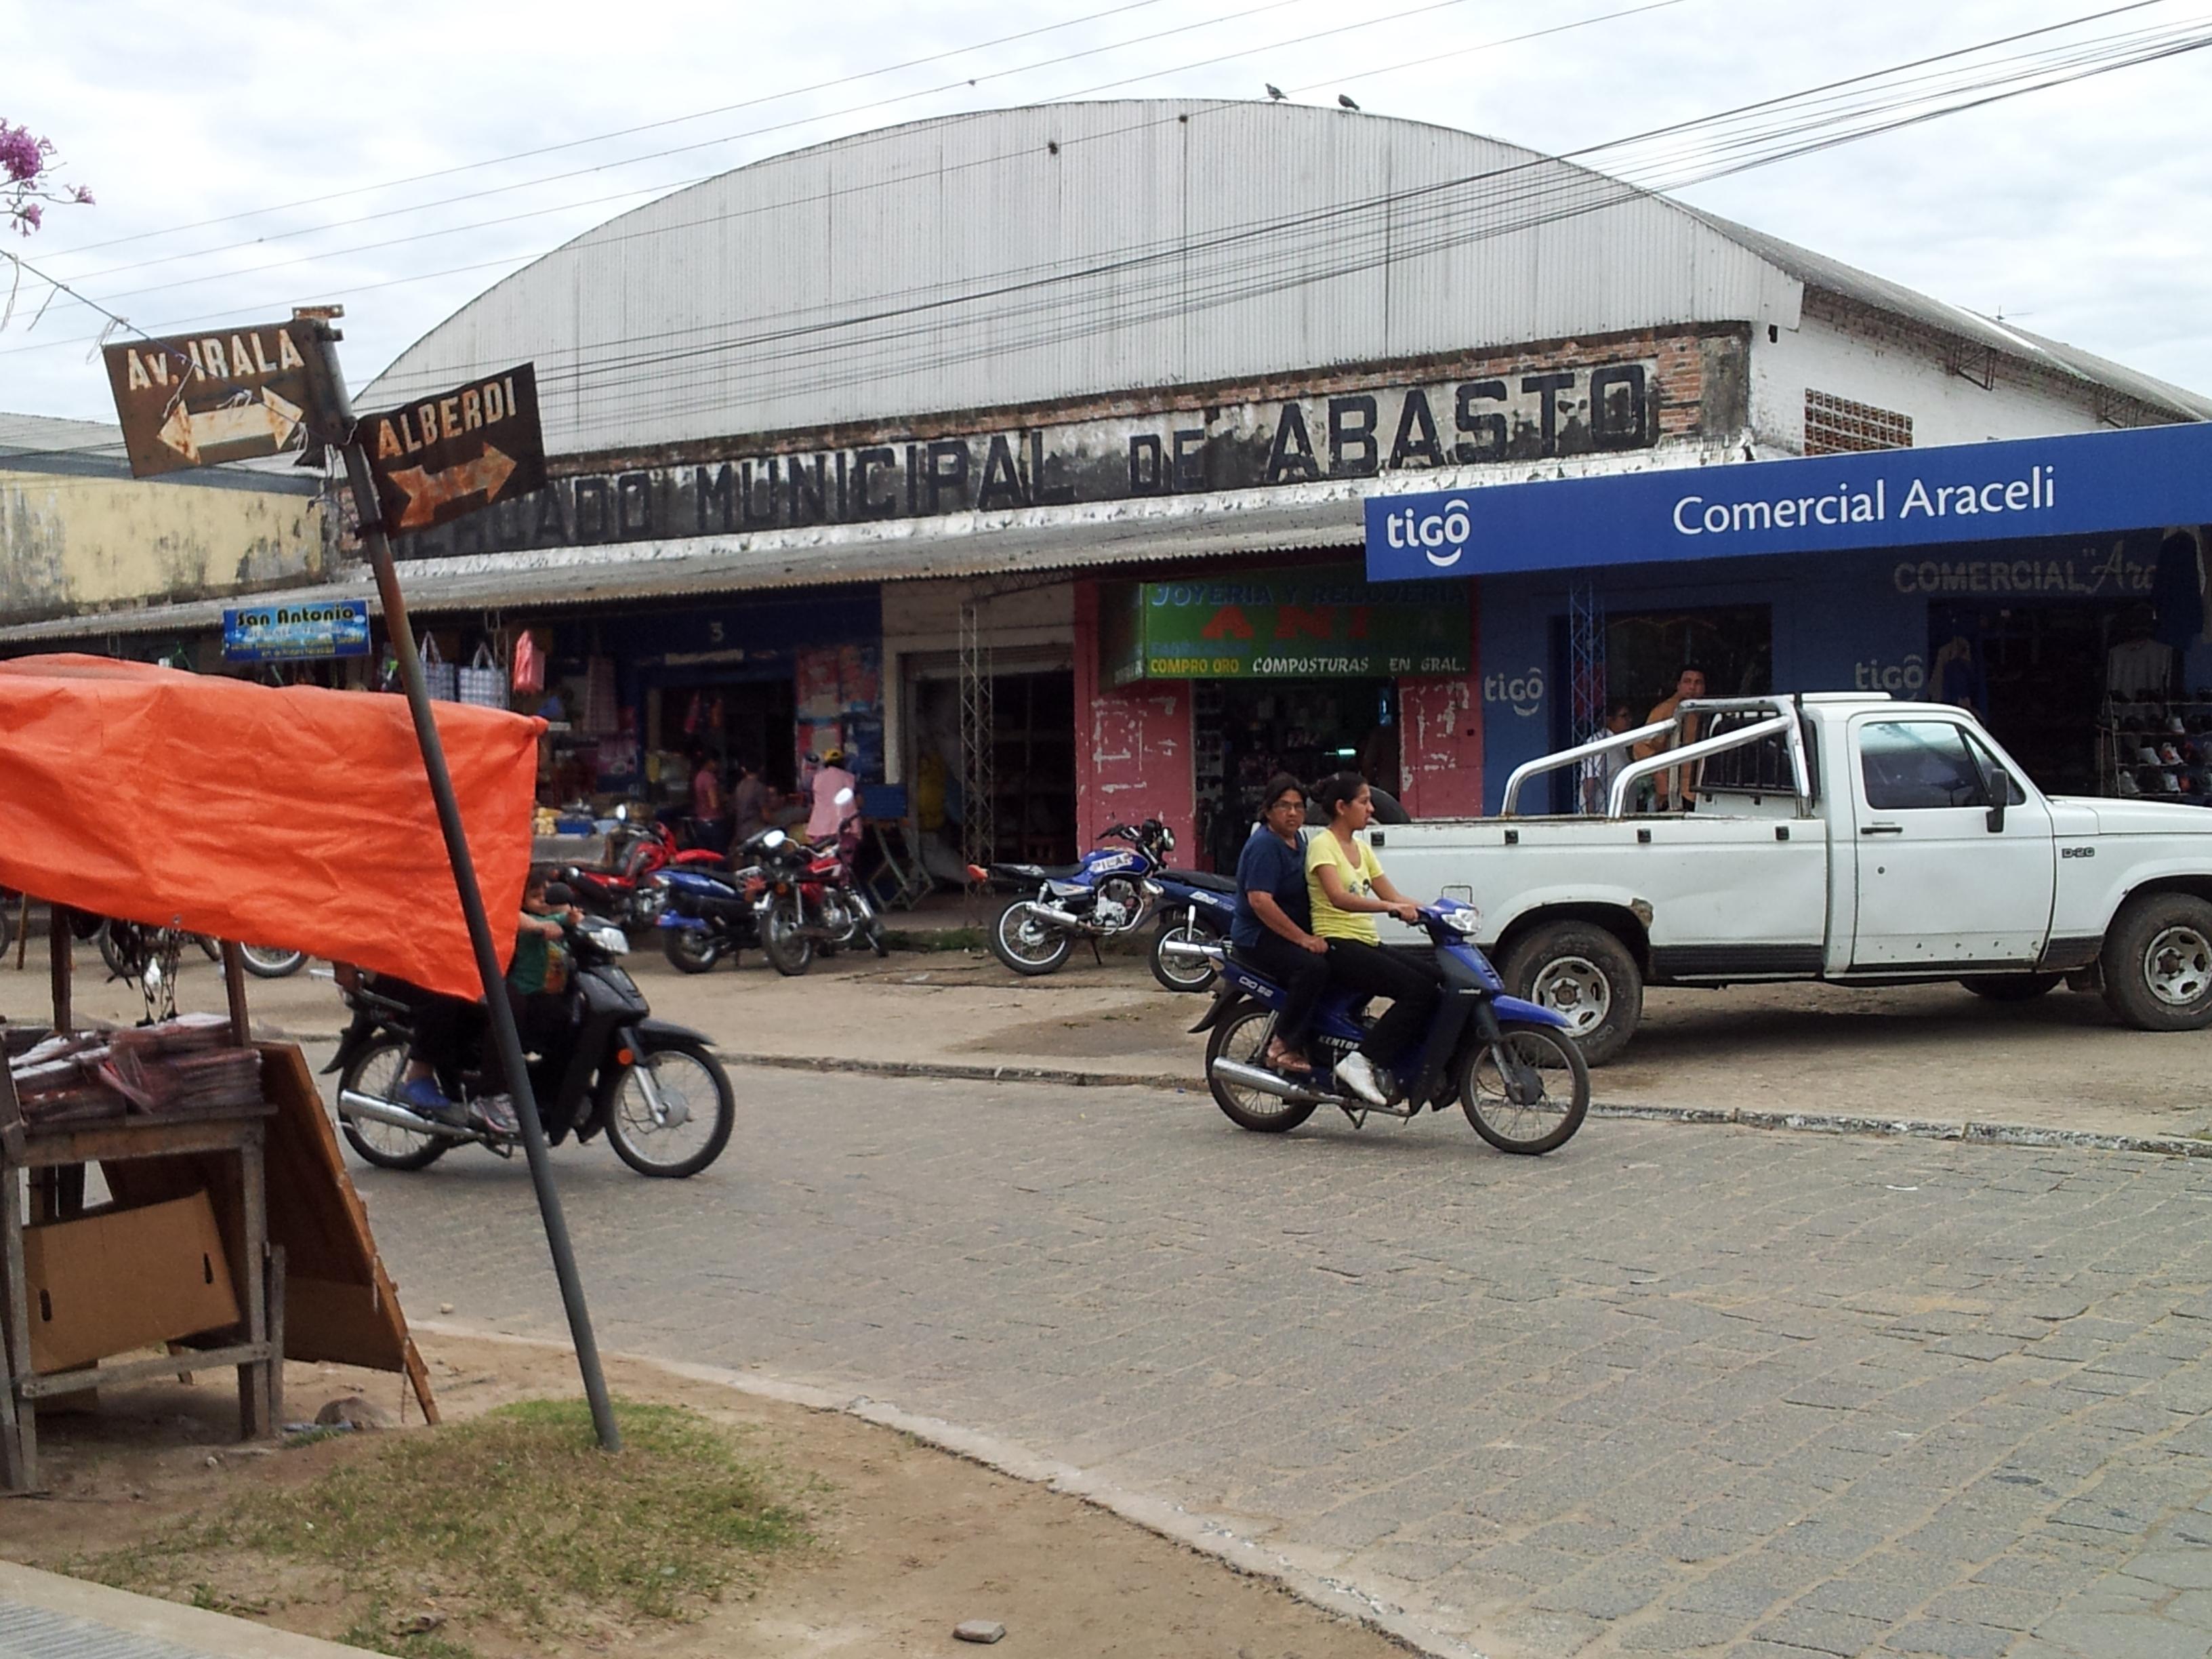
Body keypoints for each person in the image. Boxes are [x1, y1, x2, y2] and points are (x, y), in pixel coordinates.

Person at [1305, 771, 1439, 1107]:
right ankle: (1361, 1060)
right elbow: (1338, 897)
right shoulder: (1323, 845)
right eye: (1364, 803)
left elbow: (1394, 894)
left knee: (1439, 979)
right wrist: (1389, 907)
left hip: (1365, 941)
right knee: (1417, 991)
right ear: (1341, 807)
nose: (1371, 810)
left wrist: (1441, 911)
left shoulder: (1362, 849)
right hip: (1338, 943)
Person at [1231, 774, 1328, 1075]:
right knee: (1312, 968)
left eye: (1299, 806)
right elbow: (1261, 901)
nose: (1293, 813)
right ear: (1268, 810)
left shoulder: (1299, 839)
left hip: (1286, 931)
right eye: (1284, 806)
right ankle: (1282, 1044)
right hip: (1258, 937)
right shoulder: (1265, 845)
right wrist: (1302, 939)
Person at [1633, 665, 1708, 812]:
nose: (1692, 687)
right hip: (1675, 793)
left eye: (1698, 682)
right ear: (1678, 685)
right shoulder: (1667, 710)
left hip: (1702, 790)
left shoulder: (1705, 710)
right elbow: (1641, 745)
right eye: (1687, 682)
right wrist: (1659, 776)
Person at [1580, 700, 1639, 815]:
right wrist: (1591, 816)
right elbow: (1589, 780)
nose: (1629, 720)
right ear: (1609, 720)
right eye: (1624, 716)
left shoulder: (1622, 743)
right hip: (1602, 812)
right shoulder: (1597, 742)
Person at [808, 746, 860, 846]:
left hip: (820, 827)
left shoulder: (816, 779)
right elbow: (859, 801)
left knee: (821, 856)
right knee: (846, 856)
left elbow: (811, 803)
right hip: (845, 827)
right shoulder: (850, 778)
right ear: (843, 763)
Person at [690, 751, 731, 855]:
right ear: (711, 762)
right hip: (714, 822)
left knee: (703, 856)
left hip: (701, 822)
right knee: (718, 856)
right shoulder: (710, 778)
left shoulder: (698, 777)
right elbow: (714, 803)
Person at [730, 757, 770, 846]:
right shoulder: (759, 787)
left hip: (740, 831)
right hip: (755, 832)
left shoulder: (739, 786)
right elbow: (766, 815)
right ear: (762, 768)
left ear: (744, 769)